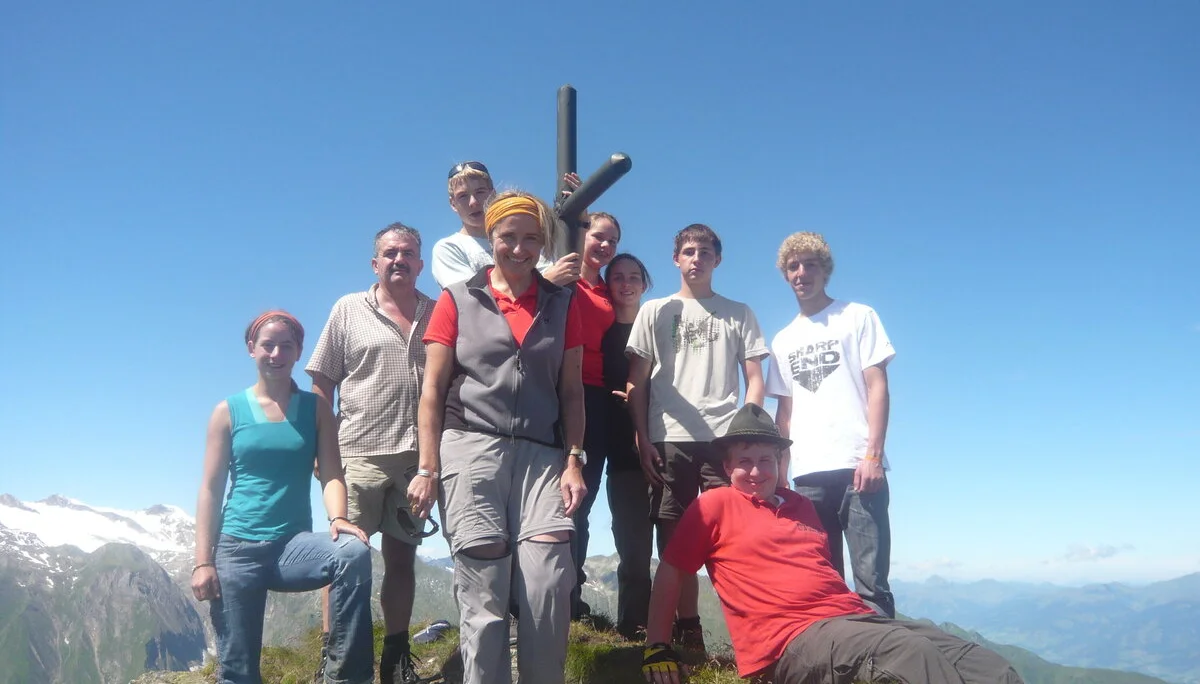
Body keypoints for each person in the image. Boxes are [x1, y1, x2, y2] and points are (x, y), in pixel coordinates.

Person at [640, 404, 1023, 684]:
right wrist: (658, 645)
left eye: (766, 460)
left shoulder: (801, 505)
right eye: (745, 461)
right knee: (908, 654)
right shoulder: (715, 504)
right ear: (727, 467)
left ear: (780, 461)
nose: (756, 471)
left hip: (853, 621)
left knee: (987, 667)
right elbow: (672, 570)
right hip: (789, 639)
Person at [409, 190, 588, 684]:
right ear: (491, 238)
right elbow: (432, 392)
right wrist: (428, 468)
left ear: (543, 242)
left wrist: (574, 459)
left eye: (532, 238)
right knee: (484, 589)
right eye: (508, 237)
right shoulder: (457, 298)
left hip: (542, 454)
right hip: (471, 445)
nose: (520, 248)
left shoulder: (561, 303)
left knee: (550, 580)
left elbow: (572, 392)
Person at [192, 311, 373, 684]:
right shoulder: (227, 412)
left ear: (298, 351)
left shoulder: (316, 408)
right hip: (237, 550)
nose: (276, 354)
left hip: (292, 547)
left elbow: (332, 474)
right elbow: (210, 489)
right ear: (251, 349)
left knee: (352, 553)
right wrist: (202, 562)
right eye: (267, 346)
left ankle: (343, 677)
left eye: (285, 346)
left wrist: (338, 518)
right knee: (239, 672)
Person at [625, 223, 769, 651]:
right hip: (668, 438)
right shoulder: (654, 310)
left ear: (717, 259)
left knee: (736, 539)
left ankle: (755, 636)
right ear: (676, 259)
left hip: (723, 441)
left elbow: (755, 379)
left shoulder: (738, 312)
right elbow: (637, 380)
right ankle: (686, 629)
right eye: (688, 251)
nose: (696, 258)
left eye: (704, 252)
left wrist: (748, 435)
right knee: (674, 543)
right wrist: (642, 435)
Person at [305, 223, 435, 683]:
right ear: (375, 263)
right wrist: (321, 446)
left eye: (409, 253)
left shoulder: (437, 314)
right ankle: (336, 657)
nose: (400, 259)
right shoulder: (347, 309)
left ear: (421, 263)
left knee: (402, 558)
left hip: (415, 461)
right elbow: (322, 382)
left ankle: (396, 658)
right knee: (346, 557)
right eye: (390, 252)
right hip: (355, 453)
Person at [766, 231, 897, 618]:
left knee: (871, 585)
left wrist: (873, 455)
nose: (801, 273)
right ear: (785, 275)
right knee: (824, 583)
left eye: (810, 264)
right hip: (807, 476)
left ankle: (881, 675)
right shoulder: (783, 340)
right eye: (793, 266)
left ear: (826, 271)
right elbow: (784, 413)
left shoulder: (858, 316)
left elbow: (878, 388)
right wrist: (780, 474)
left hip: (860, 468)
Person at [568, 210, 621, 620]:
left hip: (596, 396)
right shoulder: (559, 272)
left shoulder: (607, 290)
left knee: (583, 499)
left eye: (612, 241)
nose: (604, 246)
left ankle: (571, 593)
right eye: (598, 236)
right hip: (556, 392)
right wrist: (569, 203)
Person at [600, 252, 655, 640]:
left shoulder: (657, 329)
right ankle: (634, 630)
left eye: (633, 276)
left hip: (663, 446)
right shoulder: (600, 334)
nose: (625, 283)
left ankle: (668, 629)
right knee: (633, 551)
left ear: (645, 283)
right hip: (620, 452)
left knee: (674, 548)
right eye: (617, 277)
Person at [431, 161, 579, 289]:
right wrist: (547, 283)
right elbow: (471, 302)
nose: (473, 202)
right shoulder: (449, 248)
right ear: (452, 203)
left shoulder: (527, 238)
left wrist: (580, 213)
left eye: (480, 192)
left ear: (493, 194)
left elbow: (570, 270)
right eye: (463, 196)